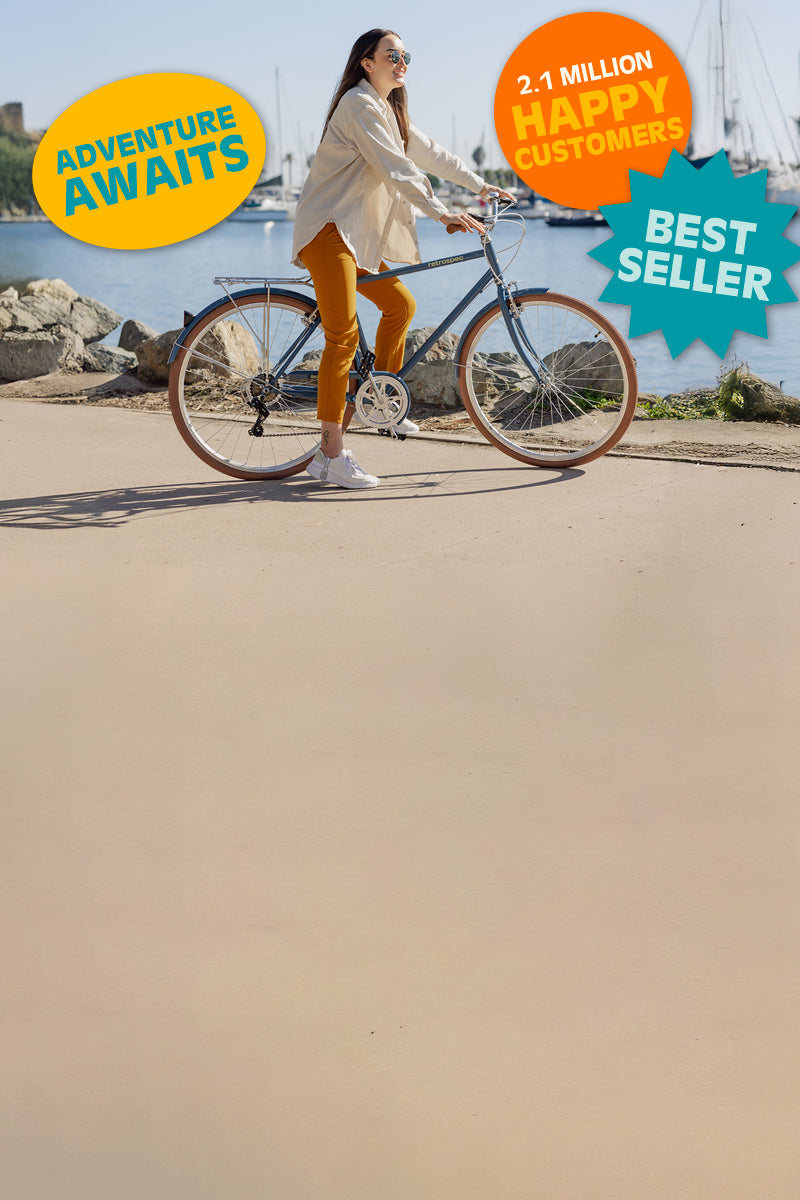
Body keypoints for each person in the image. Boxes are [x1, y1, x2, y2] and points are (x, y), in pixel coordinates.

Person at [292, 27, 514, 489]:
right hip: (327, 232)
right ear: (367, 62)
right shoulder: (358, 105)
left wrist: (480, 186)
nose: (401, 63)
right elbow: (397, 169)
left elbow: (432, 154)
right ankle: (329, 457)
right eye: (392, 55)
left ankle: (378, 402)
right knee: (342, 338)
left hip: (352, 236)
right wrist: (440, 211)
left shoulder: (387, 111)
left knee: (400, 306)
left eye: (406, 56)